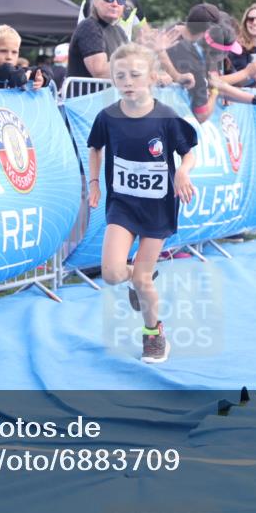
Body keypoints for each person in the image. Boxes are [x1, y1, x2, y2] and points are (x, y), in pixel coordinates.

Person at [87, 43, 198, 364]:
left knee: (142, 281)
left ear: (151, 77)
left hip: (157, 209)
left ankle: (154, 335)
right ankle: (137, 275)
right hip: (122, 205)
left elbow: (188, 152)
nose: (127, 82)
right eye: (120, 76)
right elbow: (95, 148)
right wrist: (94, 183)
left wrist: (183, 173)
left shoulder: (166, 117)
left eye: (135, 75)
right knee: (110, 273)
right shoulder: (107, 117)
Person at [68, 0, 129, 79]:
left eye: (120, 0)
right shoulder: (89, 27)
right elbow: (100, 72)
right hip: (86, 94)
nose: (115, 4)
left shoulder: (120, 31)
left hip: (111, 94)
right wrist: (135, 64)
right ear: (96, 1)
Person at [0, 25, 50, 90]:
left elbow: (43, 69)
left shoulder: (15, 70)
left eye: (14, 52)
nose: (9, 57)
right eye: (3, 51)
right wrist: (21, 77)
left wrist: (42, 78)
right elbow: (6, 69)